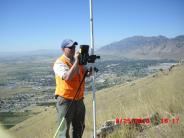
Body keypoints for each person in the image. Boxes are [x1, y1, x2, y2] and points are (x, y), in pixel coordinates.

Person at [53, 39, 90, 138]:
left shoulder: (78, 61)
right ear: (63, 49)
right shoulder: (59, 63)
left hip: (79, 100)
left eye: (74, 47)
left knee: (79, 127)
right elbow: (67, 77)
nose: (73, 49)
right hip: (65, 100)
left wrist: (90, 69)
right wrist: (77, 62)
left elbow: (87, 73)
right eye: (70, 47)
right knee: (63, 131)